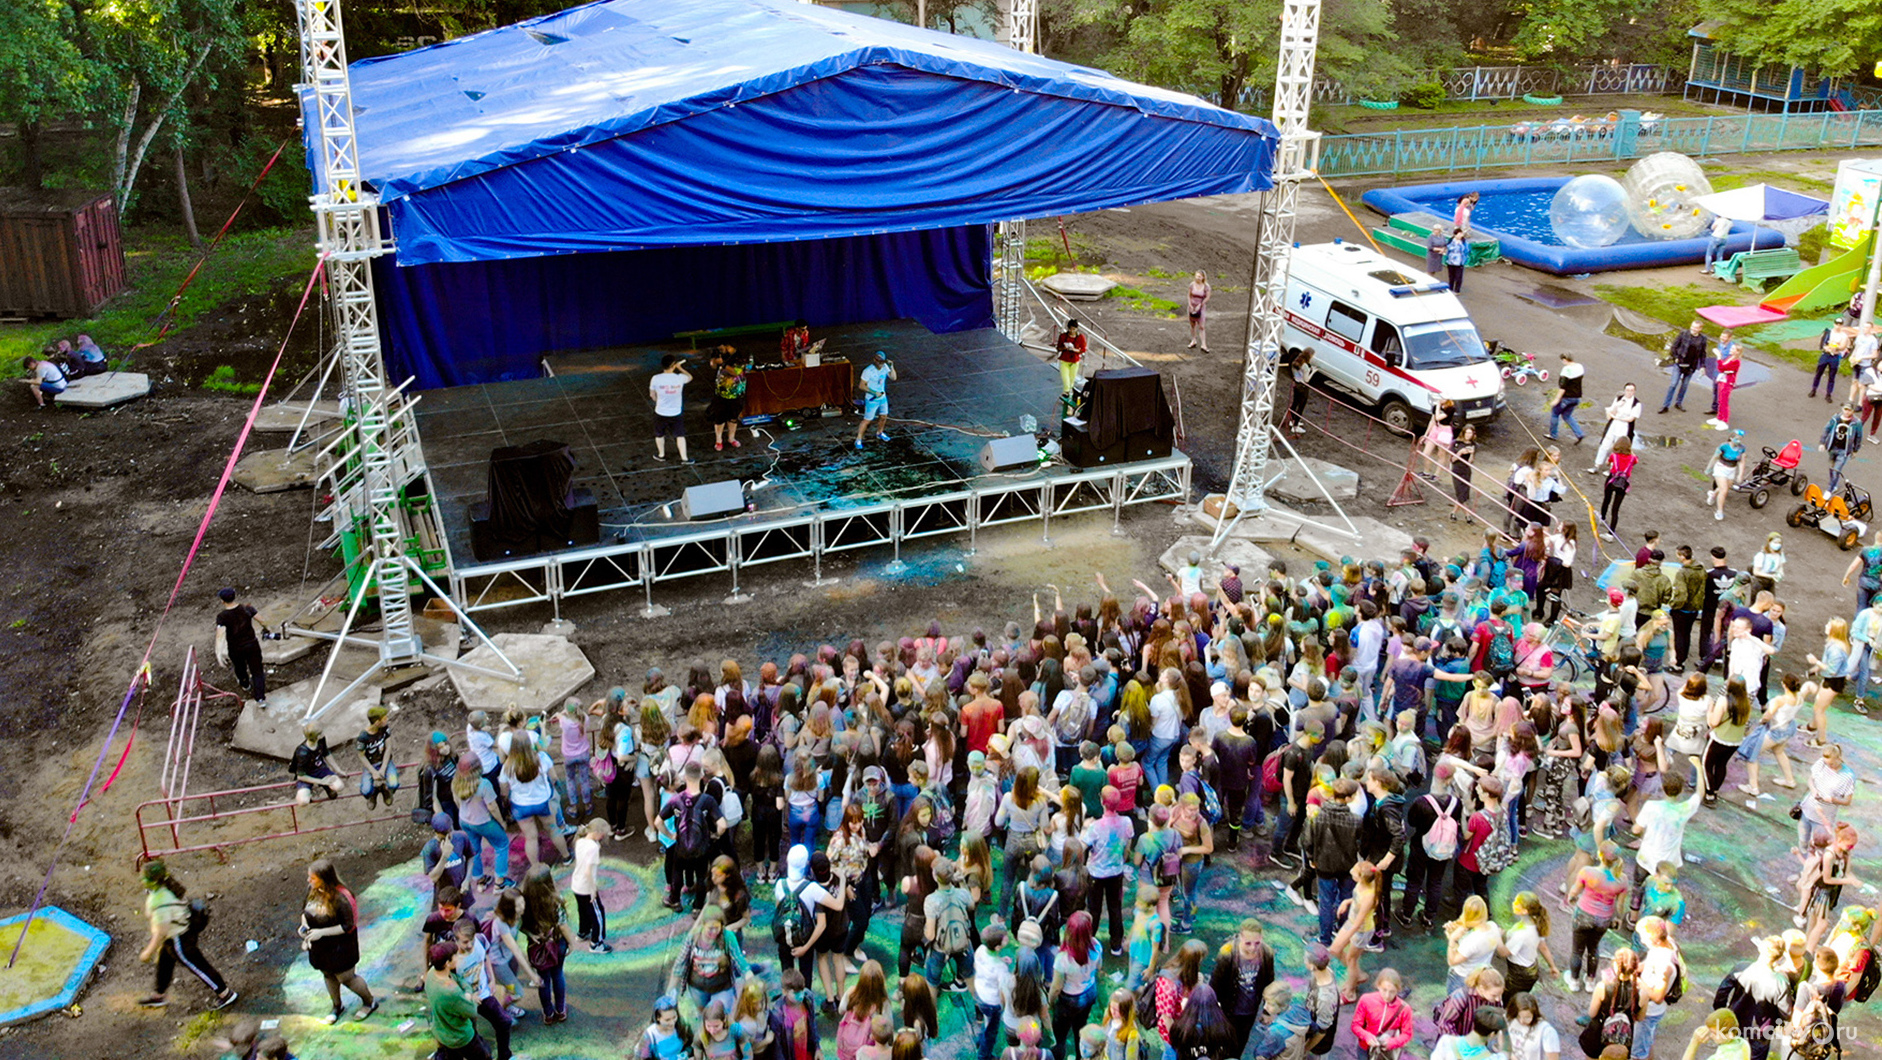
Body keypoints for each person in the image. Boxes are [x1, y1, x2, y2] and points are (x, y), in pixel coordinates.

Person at [138, 859, 238, 1011]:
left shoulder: (158, 901)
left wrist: (147, 952)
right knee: (165, 963)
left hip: (179, 939)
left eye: (144, 877)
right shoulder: (168, 888)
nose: (141, 880)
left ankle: (225, 993)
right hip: (181, 932)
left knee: (198, 966)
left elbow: (161, 931)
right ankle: (159, 995)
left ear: (153, 881)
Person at [298, 859, 374, 1024]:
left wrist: (322, 932)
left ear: (324, 878)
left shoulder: (341, 898)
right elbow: (304, 912)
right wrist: (304, 928)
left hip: (341, 946)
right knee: (328, 974)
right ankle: (337, 1006)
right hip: (320, 947)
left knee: (347, 978)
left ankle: (369, 1002)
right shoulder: (312, 890)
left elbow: (348, 925)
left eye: (313, 878)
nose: (308, 881)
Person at [426, 942, 489, 1060]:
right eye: (455, 955)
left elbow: (457, 979)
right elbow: (471, 1011)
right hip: (460, 1038)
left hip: (443, 1033)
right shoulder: (451, 992)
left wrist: (466, 992)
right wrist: (471, 997)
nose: (458, 957)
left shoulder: (431, 974)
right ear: (447, 963)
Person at [212, 587, 268, 704]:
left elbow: (220, 635)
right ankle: (260, 698)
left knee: (240, 667)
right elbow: (261, 620)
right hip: (252, 645)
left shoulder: (222, 616)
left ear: (222, 601)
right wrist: (267, 629)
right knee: (257, 670)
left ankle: (245, 684)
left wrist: (218, 653)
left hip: (236, 648)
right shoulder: (247, 608)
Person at [1351, 967, 1413, 1059]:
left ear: (1398, 990)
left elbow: (1407, 1034)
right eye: (1384, 990)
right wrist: (1366, 1036)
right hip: (1365, 1049)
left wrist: (1392, 1042)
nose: (1387, 996)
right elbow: (1355, 1025)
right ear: (1378, 986)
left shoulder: (1405, 1009)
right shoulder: (1366, 1000)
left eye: (1392, 992)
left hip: (1386, 1052)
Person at [1589, 384, 1641, 474]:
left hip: (1624, 427)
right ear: (1624, 390)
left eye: (1631, 390)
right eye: (1627, 390)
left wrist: (1618, 418)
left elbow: (1631, 418)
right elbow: (1612, 411)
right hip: (1613, 425)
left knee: (1619, 447)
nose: (1629, 392)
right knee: (1605, 444)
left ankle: (1613, 469)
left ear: (1634, 392)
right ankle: (1597, 465)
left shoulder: (1636, 404)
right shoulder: (1619, 398)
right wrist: (1617, 406)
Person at [650, 354, 693, 464]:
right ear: (673, 365)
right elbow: (690, 377)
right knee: (680, 435)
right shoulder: (680, 378)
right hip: (676, 413)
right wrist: (680, 367)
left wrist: (658, 401)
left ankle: (661, 455)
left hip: (660, 412)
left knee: (659, 434)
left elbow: (652, 395)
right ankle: (684, 458)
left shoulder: (656, 378)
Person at [1660, 321, 1707, 414]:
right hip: (1679, 363)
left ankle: (1678, 403)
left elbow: (1702, 354)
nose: (1693, 329)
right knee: (1673, 384)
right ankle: (1665, 405)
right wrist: (1675, 357)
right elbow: (1674, 347)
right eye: (1692, 326)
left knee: (1684, 385)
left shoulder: (1703, 339)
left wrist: (1702, 366)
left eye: (1696, 327)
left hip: (1691, 366)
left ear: (1700, 329)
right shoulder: (1683, 334)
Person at [291, 727, 344, 806]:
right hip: (307, 774)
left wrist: (338, 769)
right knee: (303, 801)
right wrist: (321, 781)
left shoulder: (321, 740)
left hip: (320, 769)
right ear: (317, 737)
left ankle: (327, 787)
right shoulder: (302, 753)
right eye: (321, 733)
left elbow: (326, 753)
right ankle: (308, 792)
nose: (323, 734)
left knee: (339, 786)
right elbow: (301, 776)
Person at [855, 351, 896, 450]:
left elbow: (894, 378)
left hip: (882, 398)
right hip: (872, 399)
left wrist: (892, 367)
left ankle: (880, 432)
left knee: (883, 416)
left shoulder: (885, 367)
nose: (879, 363)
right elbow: (861, 385)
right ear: (874, 360)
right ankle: (858, 439)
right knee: (867, 420)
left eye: (881, 361)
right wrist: (874, 392)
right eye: (877, 361)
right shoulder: (868, 371)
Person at [1597, 436, 1636, 541]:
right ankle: (1611, 533)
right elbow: (1635, 460)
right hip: (1623, 483)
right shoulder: (1632, 458)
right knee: (1616, 509)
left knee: (1606, 500)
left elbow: (1607, 463)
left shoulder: (1614, 456)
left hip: (1612, 480)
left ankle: (1603, 518)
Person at [709, 349, 748, 452]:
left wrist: (723, 364)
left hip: (736, 394)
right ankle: (718, 440)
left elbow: (736, 372)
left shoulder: (740, 358)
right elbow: (713, 366)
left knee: (733, 418)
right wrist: (714, 360)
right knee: (719, 418)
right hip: (721, 394)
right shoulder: (720, 355)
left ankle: (731, 438)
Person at [1703, 430, 1746, 521]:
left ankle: (1713, 494)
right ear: (1731, 438)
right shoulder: (1724, 446)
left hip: (1731, 470)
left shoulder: (1742, 448)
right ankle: (1719, 511)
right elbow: (1715, 456)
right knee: (1724, 490)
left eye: (1740, 439)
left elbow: (1742, 462)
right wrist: (1709, 468)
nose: (1739, 441)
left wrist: (1740, 474)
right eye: (1737, 438)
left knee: (1727, 486)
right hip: (1721, 468)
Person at [1820, 404, 1864, 491]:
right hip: (1832, 447)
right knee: (1832, 468)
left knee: (1837, 469)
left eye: (1849, 410)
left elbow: (1858, 437)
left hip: (1844, 450)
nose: (1847, 412)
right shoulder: (1836, 418)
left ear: (1853, 411)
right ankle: (1834, 483)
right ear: (1842, 409)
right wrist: (1822, 442)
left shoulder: (1856, 422)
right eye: (1845, 409)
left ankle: (1830, 489)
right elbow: (1827, 429)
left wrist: (1855, 450)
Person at [1549, 352, 1586, 444]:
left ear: (1565, 360)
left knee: (1555, 413)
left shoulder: (1566, 370)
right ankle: (1579, 433)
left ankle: (1553, 435)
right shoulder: (1579, 367)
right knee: (1567, 416)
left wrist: (1556, 399)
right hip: (1576, 397)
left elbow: (1563, 387)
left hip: (1566, 398)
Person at [1707, 332, 1740, 430]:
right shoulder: (1731, 358)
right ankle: (1719, 418)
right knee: (1720, 399)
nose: (1730, 349)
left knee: (1724, 401)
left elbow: (1722, 368)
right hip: (1722, 379)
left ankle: (1724, 421)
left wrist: (1718, 356)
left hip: (1727, 382)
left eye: (1733, 349)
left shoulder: (1735, 361)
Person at [1282, 348, 1316, 435]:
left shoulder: (1295, 362)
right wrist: (1313, 372)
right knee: (1301, 406)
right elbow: (1306, 379)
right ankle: (1295, 425)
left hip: (1296, 384)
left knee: (1294, 403)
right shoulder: (1305, 366)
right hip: (1303, 387)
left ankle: (1292, 420)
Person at [1056, 319, 1088, 396]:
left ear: (1077, 329)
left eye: (1074, 329)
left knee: (1072, 378)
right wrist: (1064, 348)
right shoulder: (1063, 336)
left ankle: (1070, 390)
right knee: (1065, 377)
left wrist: (1074, 350)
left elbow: (1083, 349)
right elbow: (1058, 348)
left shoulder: (1081, 337)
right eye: (1070, 329)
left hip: (1075, 360)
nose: (1072, 331)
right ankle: (1066, 391)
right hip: (1064, 360)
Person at [1187, 273, 1212, 353]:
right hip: (1192, 306)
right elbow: (1189, 295)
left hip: (1200, 307)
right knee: (1192, 324)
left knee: (1201, 326)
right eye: (1196, 276)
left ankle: (1203, 344)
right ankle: (1193, 340)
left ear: (1203, 277)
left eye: (1199, 276)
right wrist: (1190, 304)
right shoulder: (1192, 285)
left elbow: (1207, 297)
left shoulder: (1206, 287)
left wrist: (1200, 304)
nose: (1197, 278)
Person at [1444, 229, 1469, 294]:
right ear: (1455, 234)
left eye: (1461, 234)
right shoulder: (1451, 241)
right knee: (1451, 276)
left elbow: (1466, 250)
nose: (1461, 235)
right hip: (1451, 261)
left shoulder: (1464, 242)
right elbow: (1448, 248)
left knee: (1458, 277)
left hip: (1459, 262)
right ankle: (1450, 288)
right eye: (1459, 234)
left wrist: (1459, 245)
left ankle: (1457, 290)